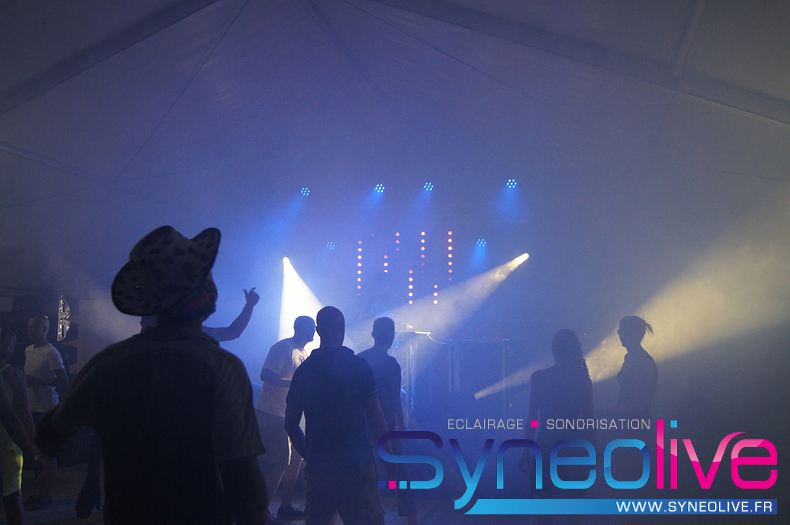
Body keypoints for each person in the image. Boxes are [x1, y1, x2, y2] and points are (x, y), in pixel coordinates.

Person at [36, 225, 268, 525]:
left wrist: (94, 475)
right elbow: (246, 487)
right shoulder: (221, 367)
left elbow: (51, 435)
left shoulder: (107, 363)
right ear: (203, 294)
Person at [284, 306, 390, 525]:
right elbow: (376, 417)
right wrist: (388, 458)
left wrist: (311, 456)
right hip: (358, 468)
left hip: (321, 471)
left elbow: (290, 424)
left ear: (318, 331)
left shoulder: (304, 371)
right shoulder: (359, 367)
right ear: (342, 330)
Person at [520, 329, 595, 525]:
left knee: (545, 512)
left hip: (546, 445)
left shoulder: (539, 378)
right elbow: (589, 419)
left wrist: (526, 450)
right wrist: (594, 450)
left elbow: (533, 419)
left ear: (554, 350)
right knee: (574, 512)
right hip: (574, 447)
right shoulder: (582, 379)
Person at [256, 315, 315, 522]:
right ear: (300, 328)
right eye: (311, 326)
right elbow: (265, 374)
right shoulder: (283, 348)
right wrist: (293, 385)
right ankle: (262, 511)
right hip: (274, 413)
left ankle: (285, 506)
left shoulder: (302, 353)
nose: (314, 330)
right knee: (280, 462)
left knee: (296, 461)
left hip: (289, 414)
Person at [358, 317, 416, 525]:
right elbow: (394, 401)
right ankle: (411, 519)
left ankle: (372, 510)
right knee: (399, 474)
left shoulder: (360, 360)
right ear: (392, 336)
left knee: (366, 472)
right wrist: (402, 429)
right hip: (386, 427)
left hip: (361, 425)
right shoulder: (391, 364)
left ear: (373, 334)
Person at [0, 326, 47, 525]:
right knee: (12, 496)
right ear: (8, 348)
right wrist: (34, 450)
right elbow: (22, 417)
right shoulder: (15, 376)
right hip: (8, 447)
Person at [23, 315, 67, 509]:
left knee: (47, 454)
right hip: (32, 407)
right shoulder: (28, 349)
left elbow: (63, 380)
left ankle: (46, 495)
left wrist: (37, 381)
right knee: (38, 454)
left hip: (47, 409)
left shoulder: (51, 352)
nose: (30, 330)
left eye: (35, 327)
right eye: (29, 326)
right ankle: (41, 493)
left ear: (45, 329)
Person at [139, 286, 260, 341]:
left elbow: (232, 332)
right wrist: (249, 305)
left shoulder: (191, 333)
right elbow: (232, 332)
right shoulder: (192, 333)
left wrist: (249, 306)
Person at [615, 316, 658, 418]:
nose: (622, 336)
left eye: (627, 333)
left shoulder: (643, 361)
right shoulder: (629, 357)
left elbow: (640, 403)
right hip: (626, 420)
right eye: (620, 332)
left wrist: (605, 412)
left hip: (636, 421)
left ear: (637, 334)